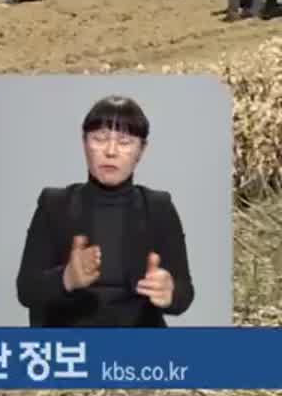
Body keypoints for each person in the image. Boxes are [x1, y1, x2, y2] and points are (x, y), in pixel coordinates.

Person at [14, 96, 193, 327]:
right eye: (99, 139)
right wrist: (66, 278)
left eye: (125, 141)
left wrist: (170, 293)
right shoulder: (54, 205)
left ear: (141, 150)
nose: (111, 151)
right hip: (72, 350)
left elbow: (184, 293)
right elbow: (26, 290)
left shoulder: (159, 207)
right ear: (84, 142)